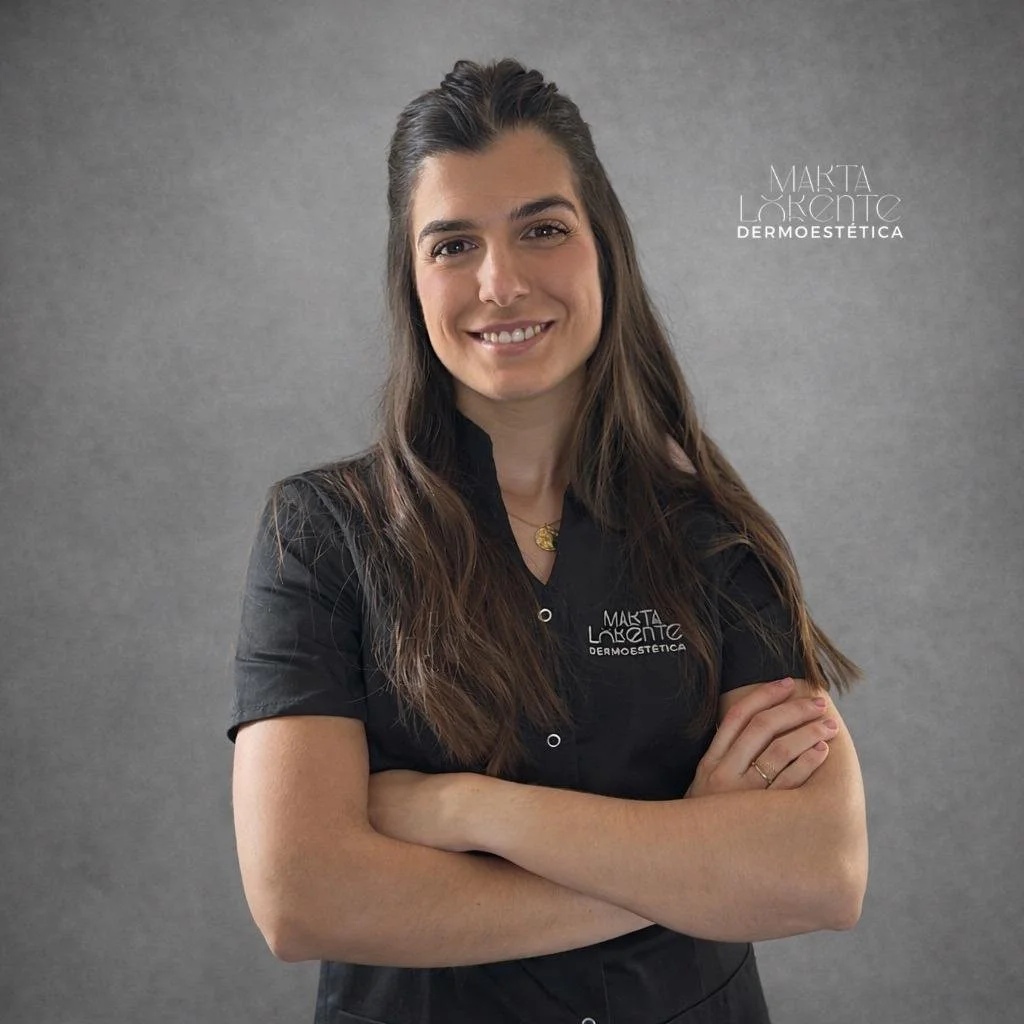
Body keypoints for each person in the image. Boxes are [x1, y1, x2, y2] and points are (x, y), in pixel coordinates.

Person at [228, 58, 868, 1024]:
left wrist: (464, 811)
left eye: (542, 229)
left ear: (602, 247)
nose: (501, 281)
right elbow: (305, 899)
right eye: (452, 245)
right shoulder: (321, 537)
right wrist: (690, 862)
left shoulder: (715, 539)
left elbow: (820, 872)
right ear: (412, 280)